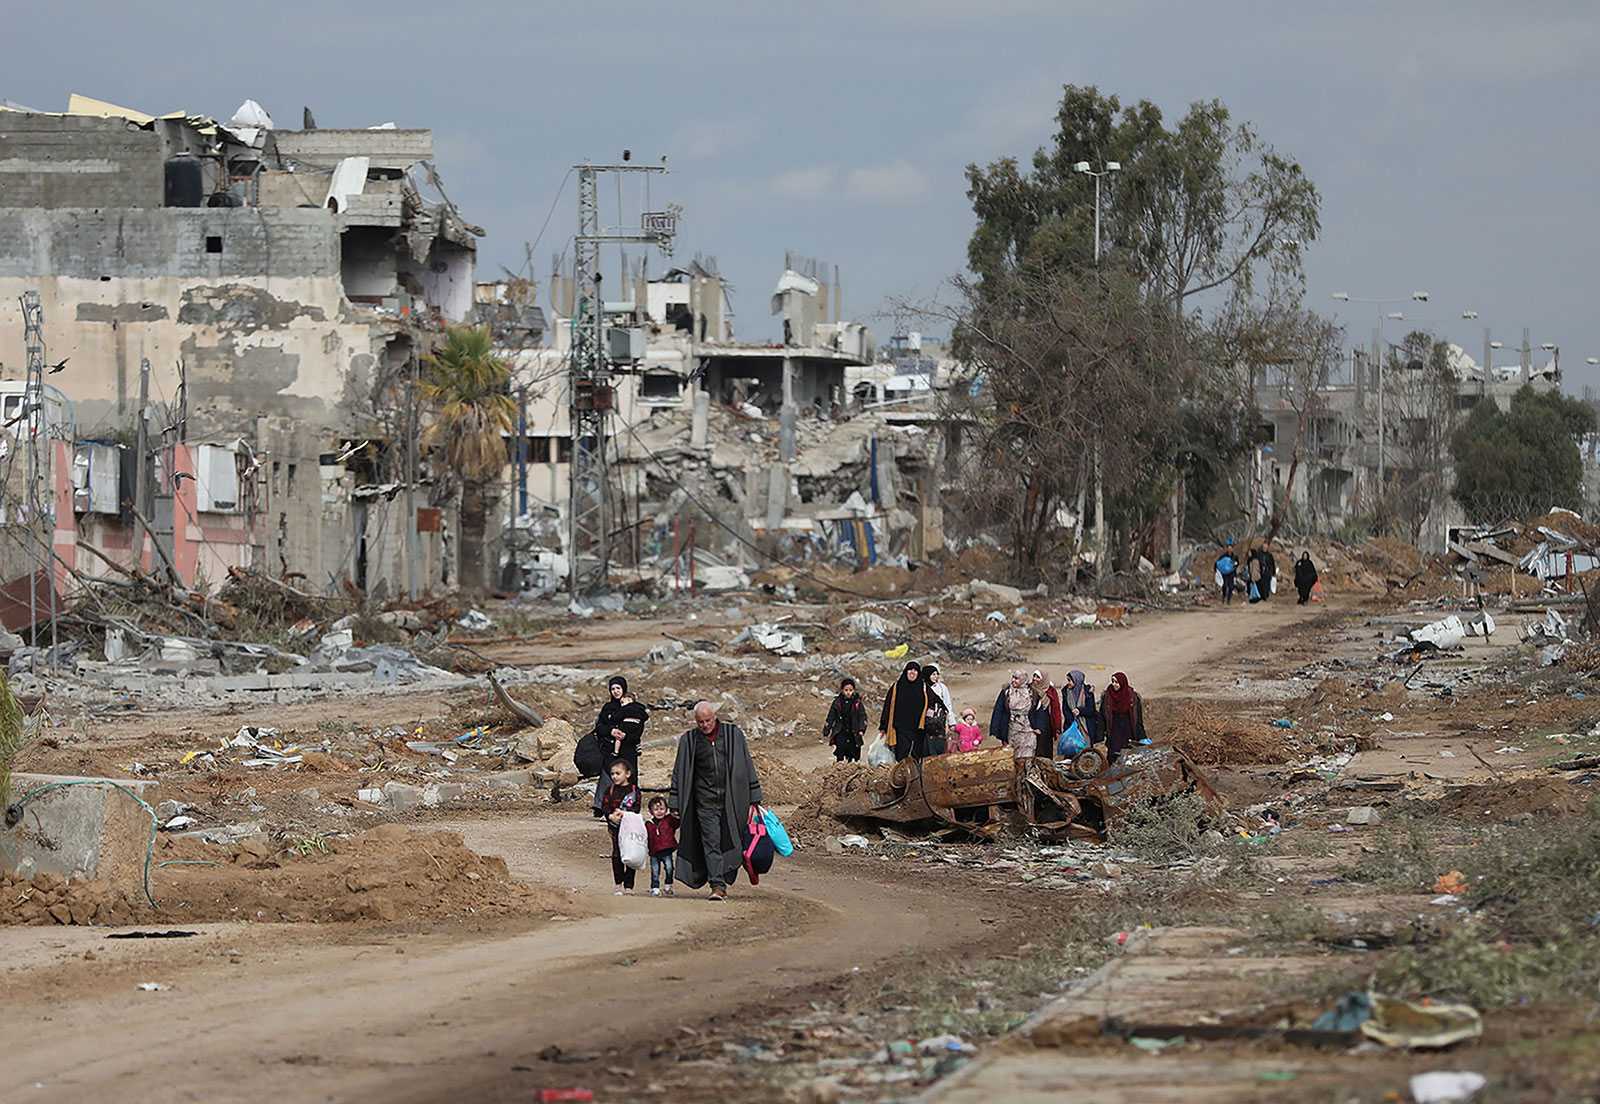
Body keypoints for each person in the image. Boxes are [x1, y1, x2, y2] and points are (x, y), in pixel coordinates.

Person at [668, 701, 764, 902]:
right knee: (711, 842)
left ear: (715, 716)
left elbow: (746, 763)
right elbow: (679, 773)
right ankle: (717, 886)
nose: (704, 725)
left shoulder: (733, 735)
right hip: (705, 803)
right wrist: (674, 802)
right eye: (700, 722)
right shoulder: (689, 741)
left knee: (731, 840)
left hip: (733, 801)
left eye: (707, 720)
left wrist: (755, 795)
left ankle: (725, 872)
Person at [601, 760, 642, 895]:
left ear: (628, 774)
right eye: (612, 774)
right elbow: (605, 806)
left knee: (630, 854)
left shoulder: (634, 791)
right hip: (615, 828)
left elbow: (636, 808)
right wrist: (611, 816)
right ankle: (618, 883)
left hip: (630, 829)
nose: (615, 777)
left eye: (618, 773)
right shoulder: (610, 790)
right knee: (617, 855)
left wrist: (625, 814)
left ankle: (629, 885)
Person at [591, 676, 630, 816]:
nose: (615, 691)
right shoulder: (607, 708)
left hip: (626, 749)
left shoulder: (630, 706)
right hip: (608, 749)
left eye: (618, 688)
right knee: (608, 775)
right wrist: (611, 731)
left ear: (623, 689)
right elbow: (599, 727)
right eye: (612, 689)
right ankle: (602, 806)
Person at [878, 661, 930, 762]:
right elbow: (888, 705)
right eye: (910, 670)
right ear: (905, 672)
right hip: (901, 726)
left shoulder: (923, 687)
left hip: (918, 727)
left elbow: (935, 701)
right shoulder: (897, 687)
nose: (912, 673)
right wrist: (884, 724)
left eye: (915, 671)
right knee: (902, 754)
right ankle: (902, 774)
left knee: (917, 755)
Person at [1097, 671, 1147, 763]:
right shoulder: (1107, 697)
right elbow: (1102, 717)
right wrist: (1099, 735)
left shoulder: (1133, 697)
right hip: (1114, 731)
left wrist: (1142, 736)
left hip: (1128, 731)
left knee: (1130, 755)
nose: (1113, 684)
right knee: (1114, 755)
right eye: (1112, 682)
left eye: (1116, 682)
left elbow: (1138, 719)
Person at [990, 670, 1036, 758]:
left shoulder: (1031, 693)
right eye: (1013, 677)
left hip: (1028, 732)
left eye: (1017, 678)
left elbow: (1037, 711)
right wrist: (995, 729)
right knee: (1012, 756)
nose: (1014, 680)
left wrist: (1039, 727)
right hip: (1012, 730)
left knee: (1027, 757)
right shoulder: (1007, 692)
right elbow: (998, 710)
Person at [823, 676, 868, 762]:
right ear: (842, 690)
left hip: (853, 731)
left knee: (852, 751)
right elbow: (831, 717)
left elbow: (862, 717)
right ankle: (839, 765)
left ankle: (850, 766)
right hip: (841, 730)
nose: (848, 693)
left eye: (850, 690)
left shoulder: (857, 703)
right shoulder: (837, 702)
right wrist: (826, 730)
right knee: (840, 749)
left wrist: (861, 729)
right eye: (846, 690)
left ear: (854, 690)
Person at [645, 795, 679, 897]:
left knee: (669, 868)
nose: (659, 811)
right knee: (655, 871)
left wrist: (675, 815)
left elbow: (677, 823)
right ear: (651, 812)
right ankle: (655, 887)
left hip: (666, 850)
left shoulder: (669, 820)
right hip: (654, 852)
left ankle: (668, 884)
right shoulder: (648, 824)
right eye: (656, 809)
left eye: (662, 809)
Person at [924, 665, 955, 755]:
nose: (936, 677)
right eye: (933, 674)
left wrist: (951, 722)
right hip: (925, 724)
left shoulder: (942, 688)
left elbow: (948, 705)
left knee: (939, 746)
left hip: (939, 723)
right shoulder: (922, 687)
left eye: (937, 674)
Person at [1062, 669, 1097, 747]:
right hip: (1071, 725)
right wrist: (1071, 720)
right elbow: (1065, 709)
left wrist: (1080, 711)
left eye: (1070, 680)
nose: (1068, 683)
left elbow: (1091, 710)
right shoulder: (1066, 692)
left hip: (1085, 726)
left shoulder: (1088, 693)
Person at [1215, 541, 1238, 605]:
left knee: (1231, 586)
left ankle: (1228, 600)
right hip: (1225, 574)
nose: (1229, 549)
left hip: (1232, 574)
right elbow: (1218, 563)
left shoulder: (1235, 557)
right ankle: (1224, 596)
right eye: (1228, 548)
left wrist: (1234, 565)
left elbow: (1237, 564)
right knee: (1225, 585)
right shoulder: (1223, 556)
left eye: (1231, 548)